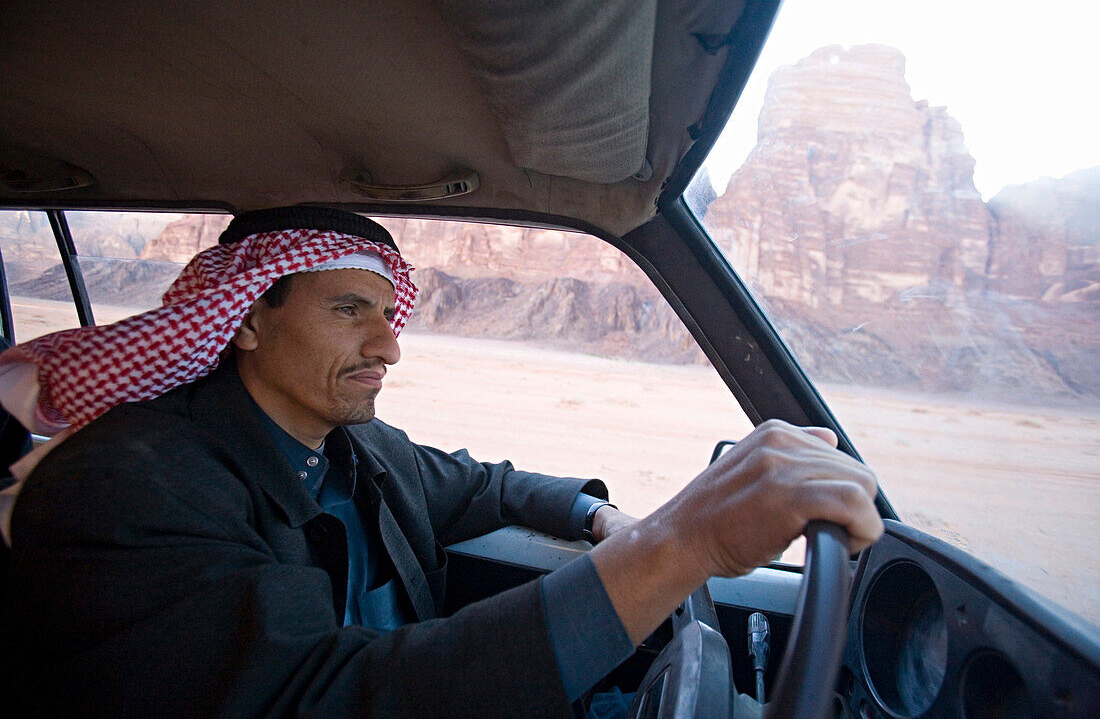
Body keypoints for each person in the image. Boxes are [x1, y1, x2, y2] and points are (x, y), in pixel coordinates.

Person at [0, 206, 882, 717]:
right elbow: (329, 695)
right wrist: (683, 542)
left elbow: (488, 485)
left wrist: (606, 522)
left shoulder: (359, 451)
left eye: (391, 316)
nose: (389, 345)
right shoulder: (127, 488)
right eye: (351, 310)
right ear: (247, 319)